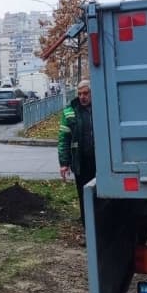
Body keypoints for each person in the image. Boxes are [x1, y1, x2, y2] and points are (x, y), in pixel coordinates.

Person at [58, 79, 95, 232]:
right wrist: (64, 163)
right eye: (79, 94)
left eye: (85, 93)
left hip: (100, 162)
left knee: (102, 196)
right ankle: (89, 230)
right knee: (84, 196)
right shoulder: (69, 111)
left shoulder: (100, 107)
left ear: (92, 94)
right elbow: (63, 139)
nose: (82, 97)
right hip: (81, 163)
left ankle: (103, 227)